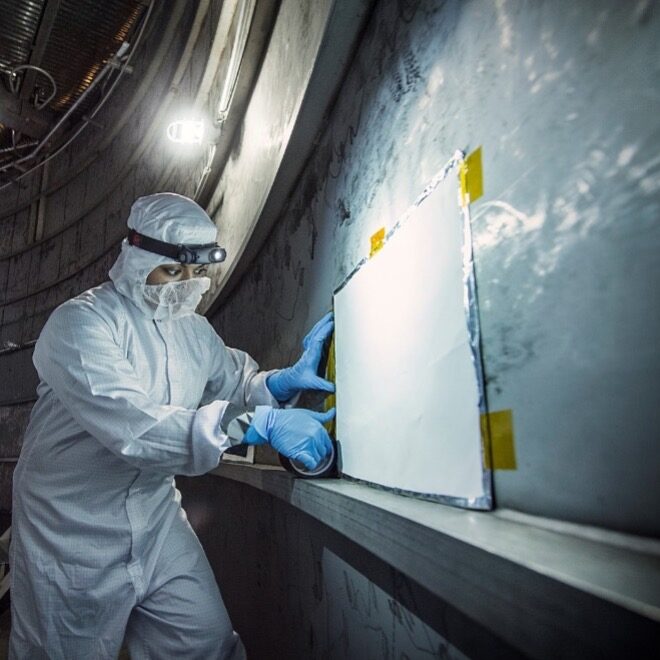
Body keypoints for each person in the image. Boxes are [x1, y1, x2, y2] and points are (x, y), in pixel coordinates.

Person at [9, 192, 335, 659]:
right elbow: (134, 428)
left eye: (196, 273)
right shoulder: (80, 324)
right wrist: (253, 424)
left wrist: (280, 384)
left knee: (203, 641)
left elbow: (235, 383)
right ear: (137, 258)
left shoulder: (192, 329)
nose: (185, 286)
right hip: (70, 531)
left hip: (156, 517)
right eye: (172, 271)